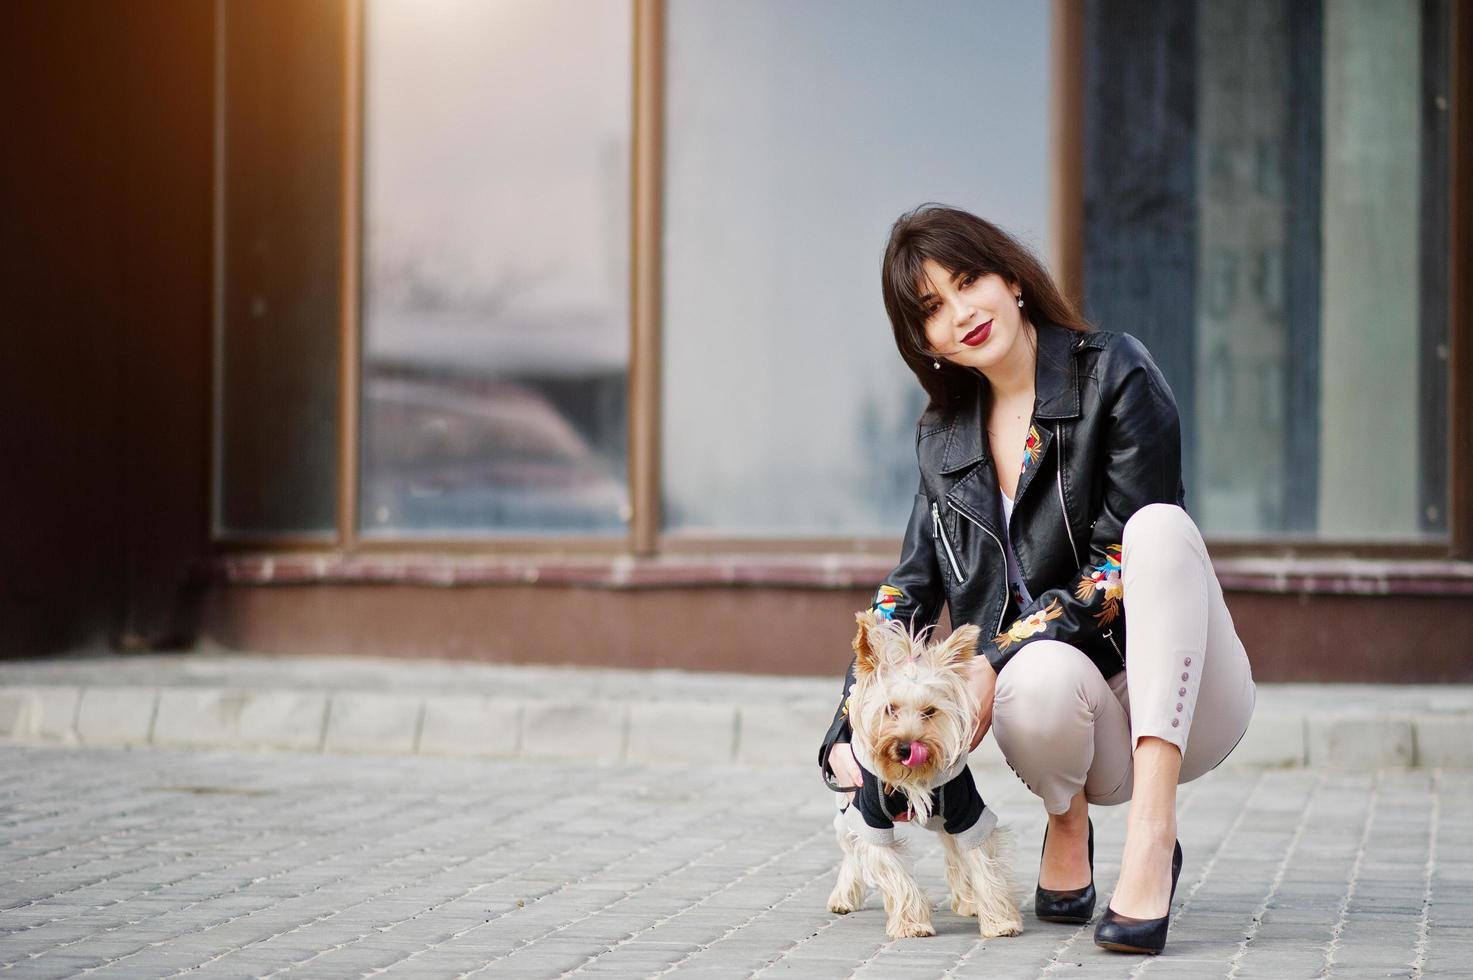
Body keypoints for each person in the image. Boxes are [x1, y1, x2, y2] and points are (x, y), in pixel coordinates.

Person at [819, 204, 1255, 955]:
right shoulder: (943, 437)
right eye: (932, 308)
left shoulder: (1112, 372)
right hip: (1072, 720)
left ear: (1012, 279)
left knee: (1155, 529)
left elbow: (1118, 563)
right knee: (1035, 674)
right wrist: (848, 725)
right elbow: (908, 586)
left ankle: (1153, 837)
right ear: (921, 339)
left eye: (967, 281)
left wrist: (988, 660)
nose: (961, 314)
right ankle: (1067, 818)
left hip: (1183, 693)